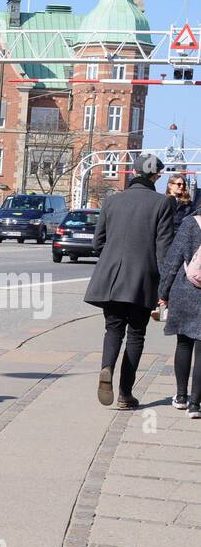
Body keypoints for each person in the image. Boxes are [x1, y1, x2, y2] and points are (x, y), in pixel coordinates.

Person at [84, 153, 176, 409]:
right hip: (142, 280)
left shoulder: (112, 201)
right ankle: (125, 394)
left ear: (133, 173)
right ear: (155, 176)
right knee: (136, 335)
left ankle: (106, 368)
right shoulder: (163, 203)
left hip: (111, 279)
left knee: (113, 329)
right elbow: (164, 250)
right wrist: (165, 289)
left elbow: (96, 243)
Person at [159, 205, 201, 416]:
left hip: (185, 290)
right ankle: (196, 404)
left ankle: (182, 397)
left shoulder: (190, 224)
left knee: (183, 344)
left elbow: (172, 261)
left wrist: (162, 292)